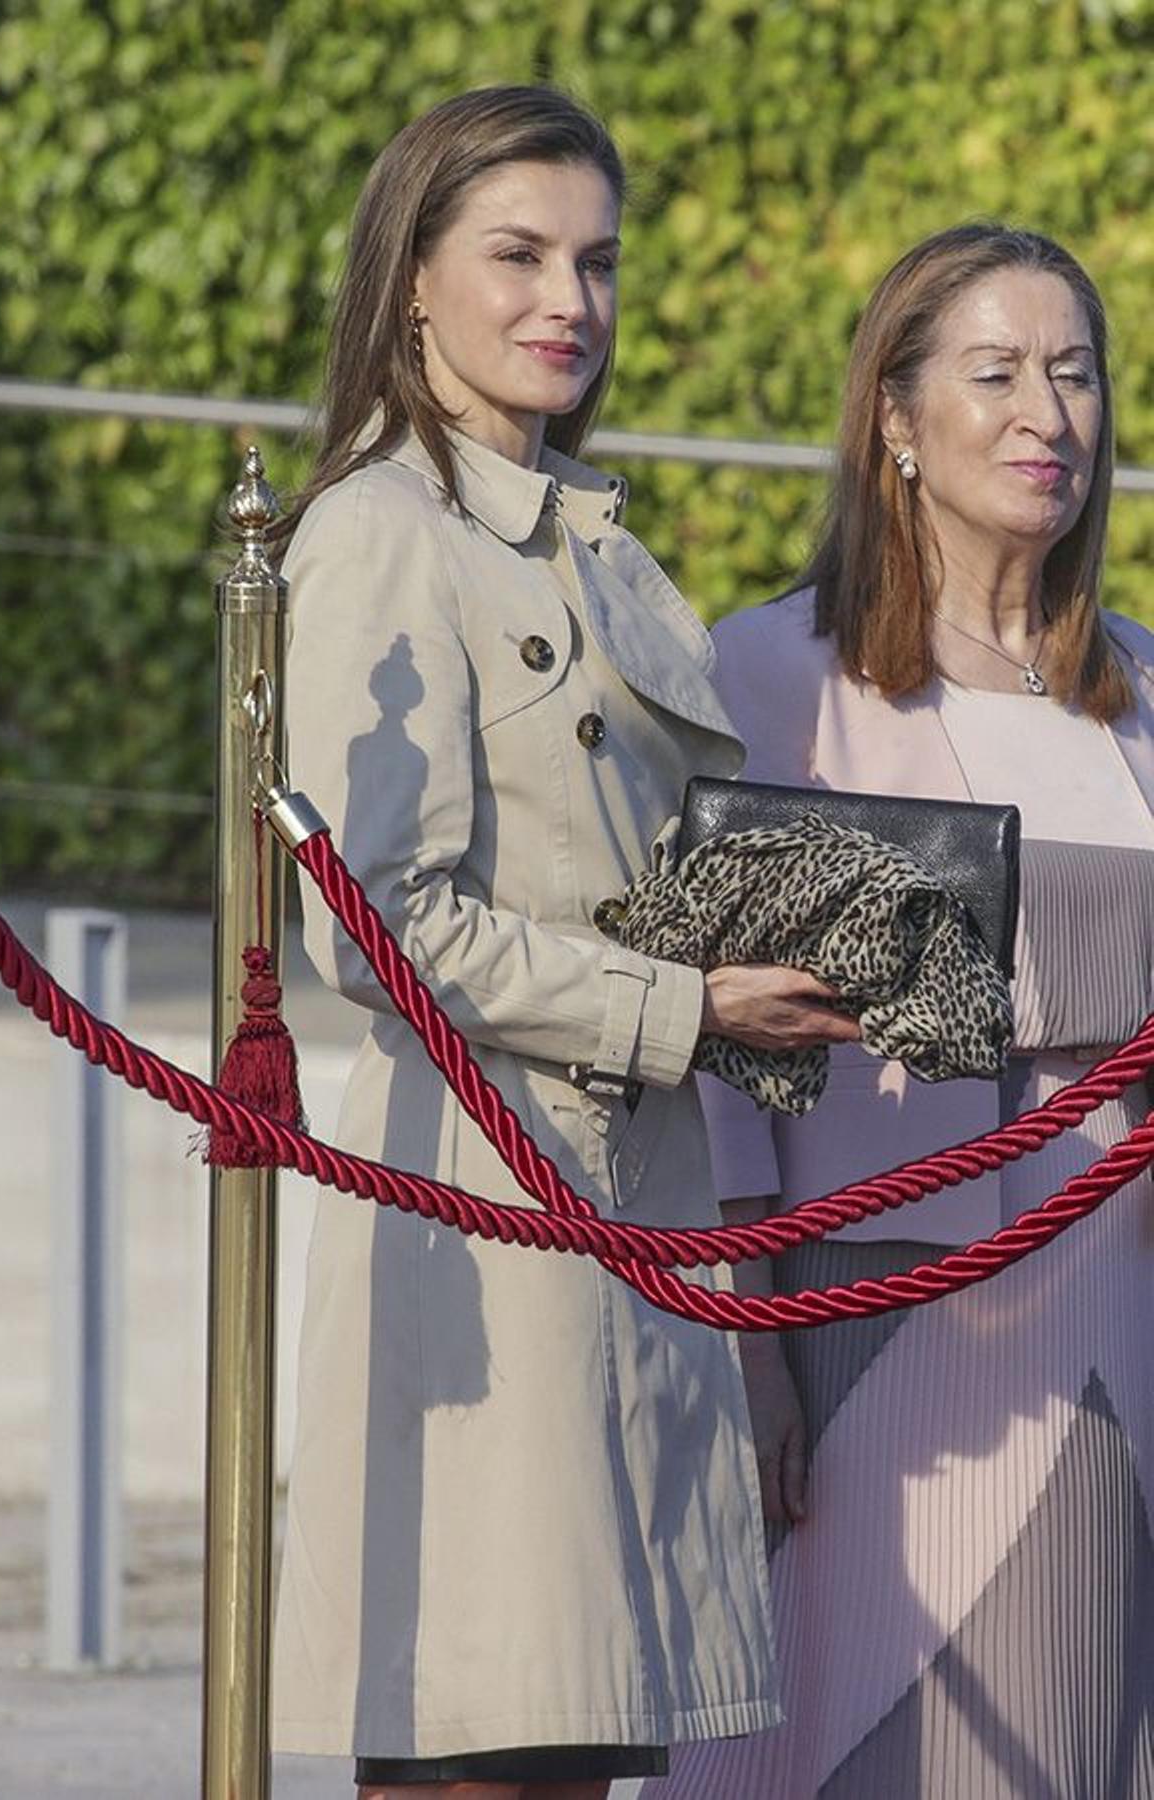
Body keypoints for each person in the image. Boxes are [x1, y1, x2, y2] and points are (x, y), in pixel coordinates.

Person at [272, 86, 859, 1800]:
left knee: (582, 1742)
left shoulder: (590, 541)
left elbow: (632, 866)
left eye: (596, 262)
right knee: (486, 1741)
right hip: (487, 1203)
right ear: (411, 284)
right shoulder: (383, 535)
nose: (569, 303)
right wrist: (677, 1007)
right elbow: (369, 922)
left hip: (629, 1207)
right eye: (518, 255)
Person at [644, 223, 1154, 1799]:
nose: (1043, 415)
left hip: (1111, 1290)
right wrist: (744, 1337)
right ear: (896, 419)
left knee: (1072, 1729)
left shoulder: (1138, 679)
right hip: (870, 1300)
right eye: (995, 373)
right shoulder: (775, 670)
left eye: (1072, 374)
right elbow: (719, 1048)